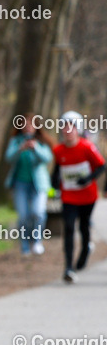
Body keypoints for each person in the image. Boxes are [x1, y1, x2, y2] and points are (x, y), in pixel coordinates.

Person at [52, 111, 104, 283]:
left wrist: (87, 179)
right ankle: (68, 267)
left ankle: (85, 251)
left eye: (71, 127)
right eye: (64, 127)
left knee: (83, 227)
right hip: (68, 196)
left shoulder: (87, 147)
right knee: (68, 227)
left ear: (78, 129)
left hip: (87, 196)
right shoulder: (58, 150)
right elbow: (58, 169)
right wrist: (54, 182)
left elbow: (101, 166)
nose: (67, 131)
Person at [4, 114, 53, 255]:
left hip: (39, 184)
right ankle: (25, 245)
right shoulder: (15, 141)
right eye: (25, 125)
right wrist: (20, 148)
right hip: (20, 184)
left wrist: (35, 148)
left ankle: (37, 241)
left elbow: (47, 158)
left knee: (38, 213)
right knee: (24, 215)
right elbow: (8, 158)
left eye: (31, 125)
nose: (28, 128)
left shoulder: (41, 141)